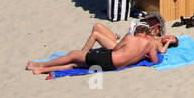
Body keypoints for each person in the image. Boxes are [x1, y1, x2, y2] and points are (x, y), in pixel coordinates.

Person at [26, 23, 177, 77]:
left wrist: (124, 42)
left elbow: (115, 49)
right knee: (75, 65)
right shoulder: (150, 45)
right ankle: (42, 70)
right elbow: (155, 60)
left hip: (110, 60)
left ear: (140, 33)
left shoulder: (130, 38)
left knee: (73, 55)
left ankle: (41, 65)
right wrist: (142, 57)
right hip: (116, 66)